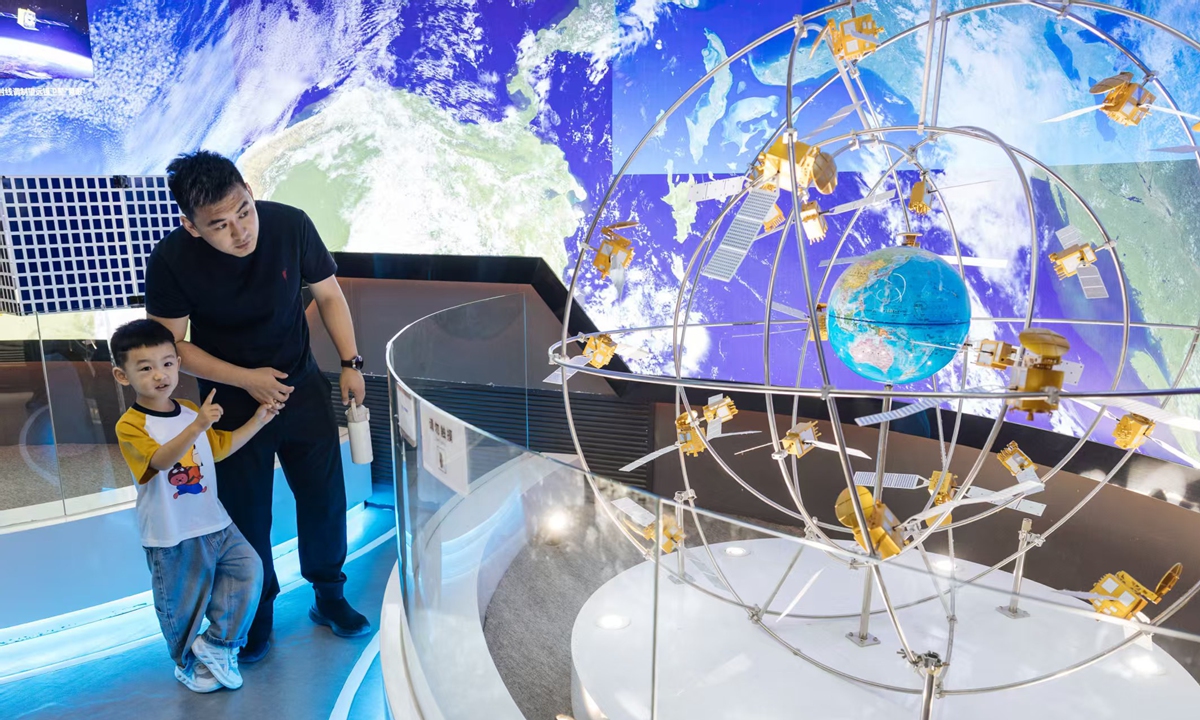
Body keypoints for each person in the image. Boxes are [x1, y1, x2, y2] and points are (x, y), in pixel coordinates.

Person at [145, 151, 370, 662]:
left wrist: (351, 362)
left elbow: (329, 295)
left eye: (244, 211)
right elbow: (171, 346)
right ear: (191, 226)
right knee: (248, 515)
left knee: (324, 498)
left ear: (249, 188)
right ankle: (258, 613)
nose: (240, 231)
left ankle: (329, 596)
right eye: (220, 225)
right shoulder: (172, 260)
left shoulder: (290, 223)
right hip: (229, 404)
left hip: (302, 386)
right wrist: (247, 379)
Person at [111, 319, 277, 693]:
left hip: (214, 521)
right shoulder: (130, 425)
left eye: (168, 363)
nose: (160, 375)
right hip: (171, 533)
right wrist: (198, 424)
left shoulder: (188, 410)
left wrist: (258, 419)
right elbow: (161, 461)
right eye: (146, 367)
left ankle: (218, 645)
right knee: (181, 607)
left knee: (250, 571)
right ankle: (186, 664)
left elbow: (218, 449)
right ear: (122, 376)